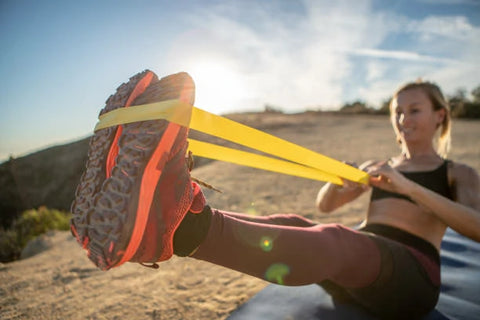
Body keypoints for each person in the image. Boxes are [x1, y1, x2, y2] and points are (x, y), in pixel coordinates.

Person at [71, 71, 480, 320]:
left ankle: (180, 227)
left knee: (336, 240)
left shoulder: (454, 172)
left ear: (440, 115)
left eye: (414, 110)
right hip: (362, 269)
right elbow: (325, 206)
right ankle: (178, 214)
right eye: (398, 111)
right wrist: (348, 184)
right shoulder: (383, 165)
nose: (404, 119)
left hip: (411, 281)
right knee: (295, 224)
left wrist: (408, 186)